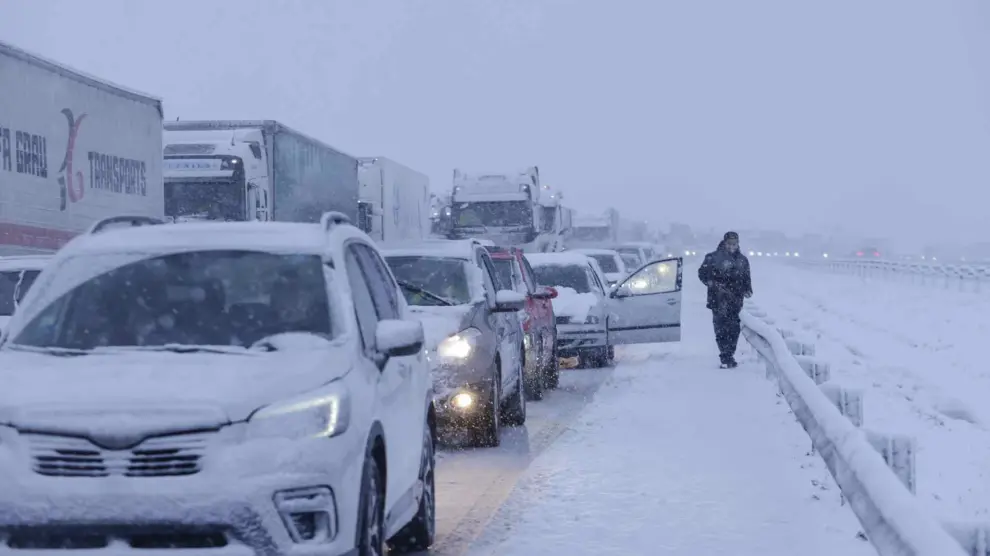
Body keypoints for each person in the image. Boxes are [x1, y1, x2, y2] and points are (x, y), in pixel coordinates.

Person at [698, 231, 752, 368]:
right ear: (724, 243)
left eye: (734, 244)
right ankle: (725, 355)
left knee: (734, 328)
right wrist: (710, 282)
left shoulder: (743, 260)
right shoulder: (712, 257)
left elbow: (746, 277)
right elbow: (702, 273)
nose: (732, 246)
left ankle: (730, 353)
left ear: (738, 244)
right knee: (721, 328)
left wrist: (748, 289)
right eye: (729, 243)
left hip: (736, 299)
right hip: (718, 299)